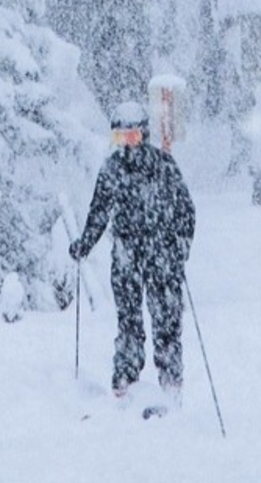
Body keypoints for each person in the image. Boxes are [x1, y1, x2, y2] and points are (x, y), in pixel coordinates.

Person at [69, 101, 196, 402]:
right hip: (126, 252)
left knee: (166, 319)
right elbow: (99, 210)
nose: (127, 145)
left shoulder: (164, 167)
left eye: (133, 137)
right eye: (120, 138)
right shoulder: (112, 169)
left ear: (144, 135)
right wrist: (85, 243)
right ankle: (125, 378)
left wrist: (180, 248)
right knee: (128, 319)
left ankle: (171, 382)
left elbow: (186, 211)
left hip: (161, 253)